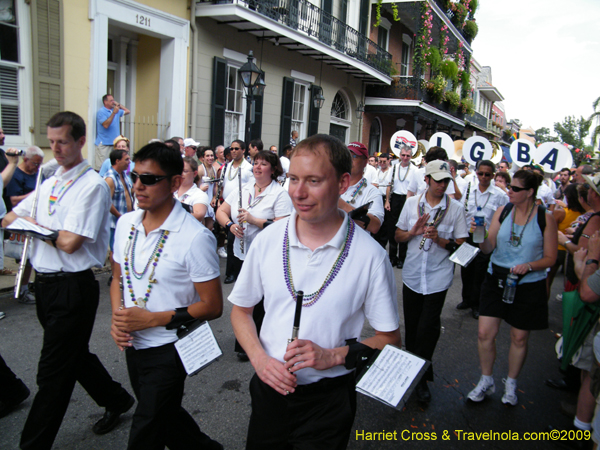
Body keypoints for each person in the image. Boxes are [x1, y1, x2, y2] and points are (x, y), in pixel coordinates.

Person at [229, 134, 400, 449]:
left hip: (329, 401)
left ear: (342, 182)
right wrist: (260, 360)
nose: (299, 192)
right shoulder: (268, 240)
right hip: (270, 389)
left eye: (314, 180)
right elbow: (241, 311)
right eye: (293, 178)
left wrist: (331, 356)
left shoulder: (370, 256)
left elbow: (389, 339)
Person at [2, 111, 134, 449]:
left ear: (80, 141)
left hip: (72, 287)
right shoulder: (49, 181)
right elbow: (10, 218)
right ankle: (116, 399)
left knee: (53, 374)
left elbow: (71, 242)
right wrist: (43, 228)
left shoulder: (91, 186)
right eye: (52, 142)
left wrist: (38, 227)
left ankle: (32, 444)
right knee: (73, 356)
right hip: (44, 285)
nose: (56, 148)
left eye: (62, 141)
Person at [109, 141, 223, 450]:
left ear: (174, 182)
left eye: (149, 179)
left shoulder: (195, 237)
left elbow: (212, 306)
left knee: (146, 429)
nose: (138, 186)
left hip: (170, 349)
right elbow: (118, 278)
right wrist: (118, 318)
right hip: (135, 345)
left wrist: (152, 319)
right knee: (166, 418)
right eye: (135, 177)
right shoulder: (125, 224)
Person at [467, 170, 557, 406]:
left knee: (519, 337)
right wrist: (479, 232)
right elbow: (487, 248)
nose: (509, 191)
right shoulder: (503, 211)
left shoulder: (545, 218)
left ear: (529, 193)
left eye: (515, 189)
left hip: (528, 284)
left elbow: (550, 258)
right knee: (485, 333)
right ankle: (486, 380)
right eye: (509, 187)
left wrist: (528, 265)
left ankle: (511, 383)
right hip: (496, 278)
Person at [396, 160, 468, 402]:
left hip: (438, 277)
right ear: (426, 180)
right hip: (413, 275)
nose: (442, 185)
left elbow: (464, 248)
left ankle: (420, 379)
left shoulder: (456, 209)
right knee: (414, 328)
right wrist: (412, 233)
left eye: (446, 180)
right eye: (438, 180)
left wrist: (441, 240)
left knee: (428, 328)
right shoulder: (410, 204)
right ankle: (415, 371)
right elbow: (397, 235)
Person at [216, 150, 293, 360]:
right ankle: (244, 341)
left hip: (266, 255)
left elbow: (283, 226)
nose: (257, 167)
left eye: (263, 164)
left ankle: (253, 344)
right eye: (256, 163)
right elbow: (220, 211)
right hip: (241, 252)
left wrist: (253, 220)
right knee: (243, 298)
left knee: (258, 300)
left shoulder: (279, 194)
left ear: (273, 169)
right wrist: (230, 225)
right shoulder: (244, 188)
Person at [458, 161, 508, 319]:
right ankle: (466, 299)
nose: (484, 177)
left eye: (488, 174)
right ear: (476, 173)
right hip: (468, 234)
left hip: (486, 237)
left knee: (480, 271)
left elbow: (504, 218)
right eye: (481, 173)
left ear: (493, 175)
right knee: (466, 270)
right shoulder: (468, 189)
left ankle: (476, 303)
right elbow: (461, 210)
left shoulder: (499, 195)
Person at [5, 146, 44, 302]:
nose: (37, 167)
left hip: (35, 219)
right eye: (35, 164)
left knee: (32, 256)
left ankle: (28, 286)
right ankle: (22, 289)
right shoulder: (15, 175)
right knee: (25, 257)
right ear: (25, 160)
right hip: (19, 219)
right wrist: (34, 195)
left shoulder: (36, 173)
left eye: (39, 164)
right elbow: (13, 200)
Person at [213, 140, 254, 284]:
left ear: (243, 150)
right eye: (231, 149)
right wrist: (216, 198)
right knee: (229, 239)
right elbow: (222, 185)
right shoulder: (227, 167)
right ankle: (230, 273)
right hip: (227, 204)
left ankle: (243, 272)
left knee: (238, 239)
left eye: (237, 148)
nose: (233, 151)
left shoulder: (248, 168)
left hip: (241, 207)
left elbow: (252, 188)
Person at [339, 142, 383, 234]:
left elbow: (375, 226)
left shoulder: (372, 192)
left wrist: (341, 205)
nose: (349, 160)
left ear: (365, 162)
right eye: (347, 156)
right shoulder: (332, 184)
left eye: (354, 157)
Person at [104, 148, 134, 286]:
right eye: (126, 159)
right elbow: (106, 202)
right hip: (115, 222)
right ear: (117, 161)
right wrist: (119, 216)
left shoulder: (123, 176)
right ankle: (116, 276)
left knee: (126, 248)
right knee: (116, 249)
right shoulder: (110, 178)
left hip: (127, 219)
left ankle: (124, 274)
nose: (129, 162)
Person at [385, 145, 415, 268]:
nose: (405, 158)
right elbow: (389, 185)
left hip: (407, 200)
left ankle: (402, 258)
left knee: (404, 228)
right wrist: (387, 201)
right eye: (403, 155)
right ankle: (392, 257)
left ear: (411, 156)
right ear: (399, 155)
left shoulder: (414, 170)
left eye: (408, 155)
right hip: (395, 199)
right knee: (392, 228)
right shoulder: (394, 168)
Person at [94, 94, 130, 170]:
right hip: (104, 144)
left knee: (114, 165)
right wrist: (114, 113)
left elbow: (127, 111)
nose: (113, 102)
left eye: (113, 100)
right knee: (102, 167)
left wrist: (118, 105)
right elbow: (106, 125)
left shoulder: (116, 111)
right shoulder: (102, 112)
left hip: (114, 144)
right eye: (111, 101)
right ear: (105, 102)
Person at [174, 157, 210, 223]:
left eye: (185, 171)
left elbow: (198, 215)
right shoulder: (170, 192)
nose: (181, 174)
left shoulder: (199, 195)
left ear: (195, 173)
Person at [373, 153, 393, 249]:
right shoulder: (376, 171)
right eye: (380, 161)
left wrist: (387, 201)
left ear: (389, 161)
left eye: (384, 161)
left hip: (385, 197)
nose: (382, 163)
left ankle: (382, 243)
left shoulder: (390, 172)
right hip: (377, 197)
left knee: (385, 222)